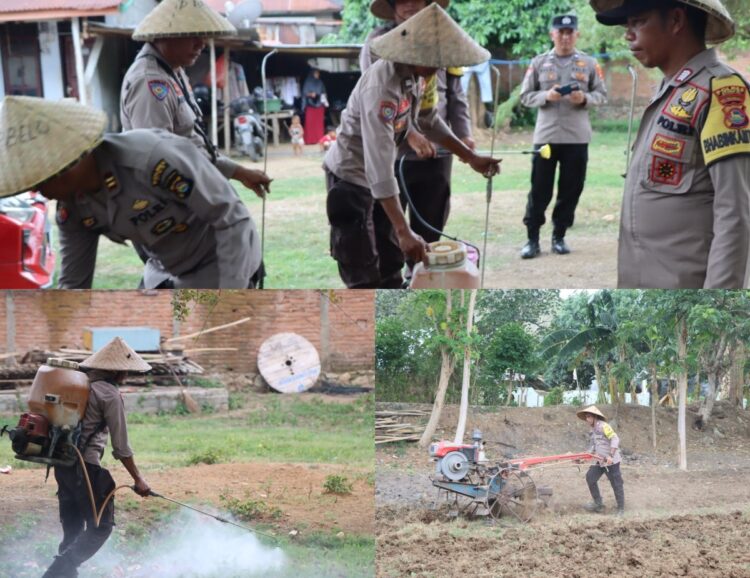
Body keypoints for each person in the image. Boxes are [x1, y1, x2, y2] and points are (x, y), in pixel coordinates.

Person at [0, 96, 262, 289]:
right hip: (165, 270)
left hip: (222, 262)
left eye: (43, 182)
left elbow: (230, 218)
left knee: (206, 344)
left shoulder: (152, 160)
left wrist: (231, 298)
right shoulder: (74, 209)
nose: (43, 194)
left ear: (68, 164)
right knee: (148, 344)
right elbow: (74, 288)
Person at [323, 4, 500, 288]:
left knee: (390, 259)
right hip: (351, 181)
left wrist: (470, 157)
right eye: (433, 62)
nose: (437, 69)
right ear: (414, 52)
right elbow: (380, 167)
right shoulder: (383, 88)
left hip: (376, 185)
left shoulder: (417, 77)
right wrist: (404, 230)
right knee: (363, 268)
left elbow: (429, 121)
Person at [591, 0, 750, 288]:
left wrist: (718, 298)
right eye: (627, 25)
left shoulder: (721, 91)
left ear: (676, 20)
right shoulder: (670, 90)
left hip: (687, 286)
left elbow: (736, 214)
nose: (628, 34)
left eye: (638, 21)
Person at [360, 0, 474, 275]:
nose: (411, 3)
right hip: (391, 152)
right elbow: (379, 103)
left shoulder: (443, 38)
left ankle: (422, 274)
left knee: (432, 220)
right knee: (389, 225)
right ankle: (394, 277)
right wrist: (409, 132)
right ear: (392, 6)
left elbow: (445, 102)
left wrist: (464, 141)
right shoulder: (379, 43)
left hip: (437, 148)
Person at [121, 0, 271, 198]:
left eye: (203, 36)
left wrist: (239, 172)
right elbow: (158, 160)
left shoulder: (174, 70)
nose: (201, 44)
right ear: (166, 34)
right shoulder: (149, 82)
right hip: (174, 201)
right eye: (193, 35)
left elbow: (192, 142)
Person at [42, 337, 152, 578]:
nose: (126, 375)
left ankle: (62, 574)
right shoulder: (109, 394)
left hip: (62, 465)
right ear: (117, 371)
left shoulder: (74, 385)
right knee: (100, 527)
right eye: (125, 371)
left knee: (73, 530)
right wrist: (139, 480)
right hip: (86, 468)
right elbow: (121, 446)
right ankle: (54, 573)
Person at [519, 14, 608, 259]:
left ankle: (559, 236)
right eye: (561, 32)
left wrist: (585, 99)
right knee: (539, 190)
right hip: (546, 137)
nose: (565, 37)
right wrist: (546, 96)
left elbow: (602, 95)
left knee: (571, 189)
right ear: (552, 34)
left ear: (577, 34)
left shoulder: (589, 63)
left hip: (576, 138)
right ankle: (532, 239)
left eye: (570, 32)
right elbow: (525, 96)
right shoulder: (538, 63)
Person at [577, 405, 625, 516]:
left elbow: (615, 438)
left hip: (611, 461)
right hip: (600, 461)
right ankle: (598, 504)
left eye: (589, 417)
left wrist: (610, 455)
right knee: (590, 477)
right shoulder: (593, 430)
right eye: (586, 417)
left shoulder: (604, 426)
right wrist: (582, 458)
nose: (587, 419)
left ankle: (621, 509)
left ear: (595, 417)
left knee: (616, 484)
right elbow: (593, 447)